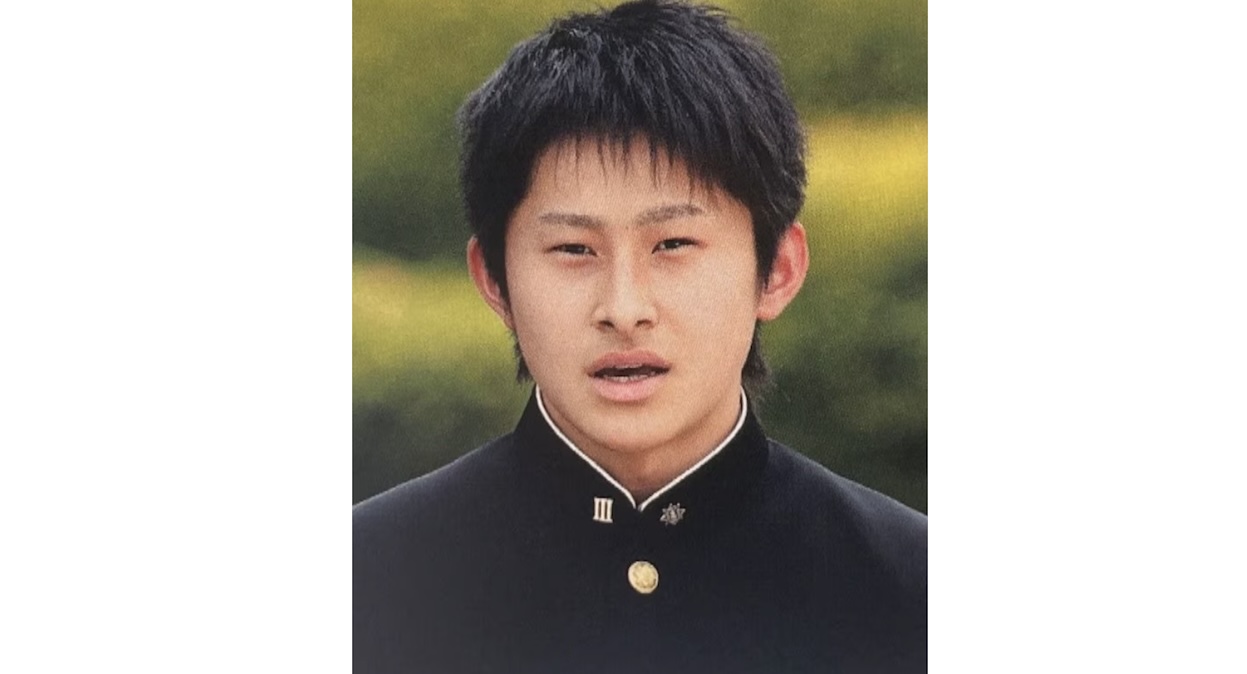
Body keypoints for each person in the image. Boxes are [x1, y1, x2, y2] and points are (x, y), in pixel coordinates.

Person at [352, 1, 926, 672]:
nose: (624, 309)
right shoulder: (363, 583)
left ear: (777, 269)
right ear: (495, 281)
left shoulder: (915, 590)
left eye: (673, 244)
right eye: (573, 249)